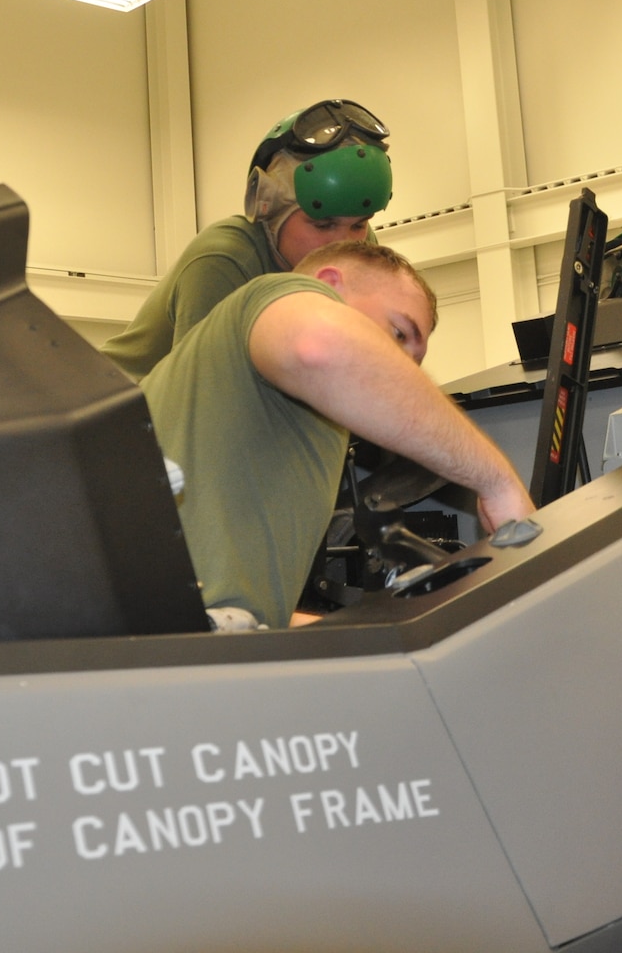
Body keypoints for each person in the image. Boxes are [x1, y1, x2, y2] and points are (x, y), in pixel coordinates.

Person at [142, 239, 532, 630]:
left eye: (414, 362)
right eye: (398, 334)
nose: (401, 367)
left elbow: (249, 609)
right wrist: (498, 481)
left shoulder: (271, 414)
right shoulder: (267, 297)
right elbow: (318, 346)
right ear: (328, 285)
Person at [103, 99, 395, 380]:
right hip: (113, 411)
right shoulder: (223, 259)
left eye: (358, 224)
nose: (342, 246)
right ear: (267, 206)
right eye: (323, 225)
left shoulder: (362, 248)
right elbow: (202, 392)